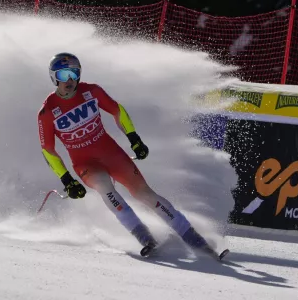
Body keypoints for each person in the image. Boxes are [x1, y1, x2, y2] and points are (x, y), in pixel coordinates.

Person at [37, 52, 228, 258]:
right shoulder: (47, 112)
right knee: (104, 186)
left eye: (74, 73)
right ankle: (144, 236)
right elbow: (48, 149)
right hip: (85, 164)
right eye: (64, 74)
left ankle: (194, 238)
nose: (70, 80)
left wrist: (134, 139)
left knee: (144, 193)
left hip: (112, 154)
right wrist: (67, 180)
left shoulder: (91, 91)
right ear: (54, 77)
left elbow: (117, 111)